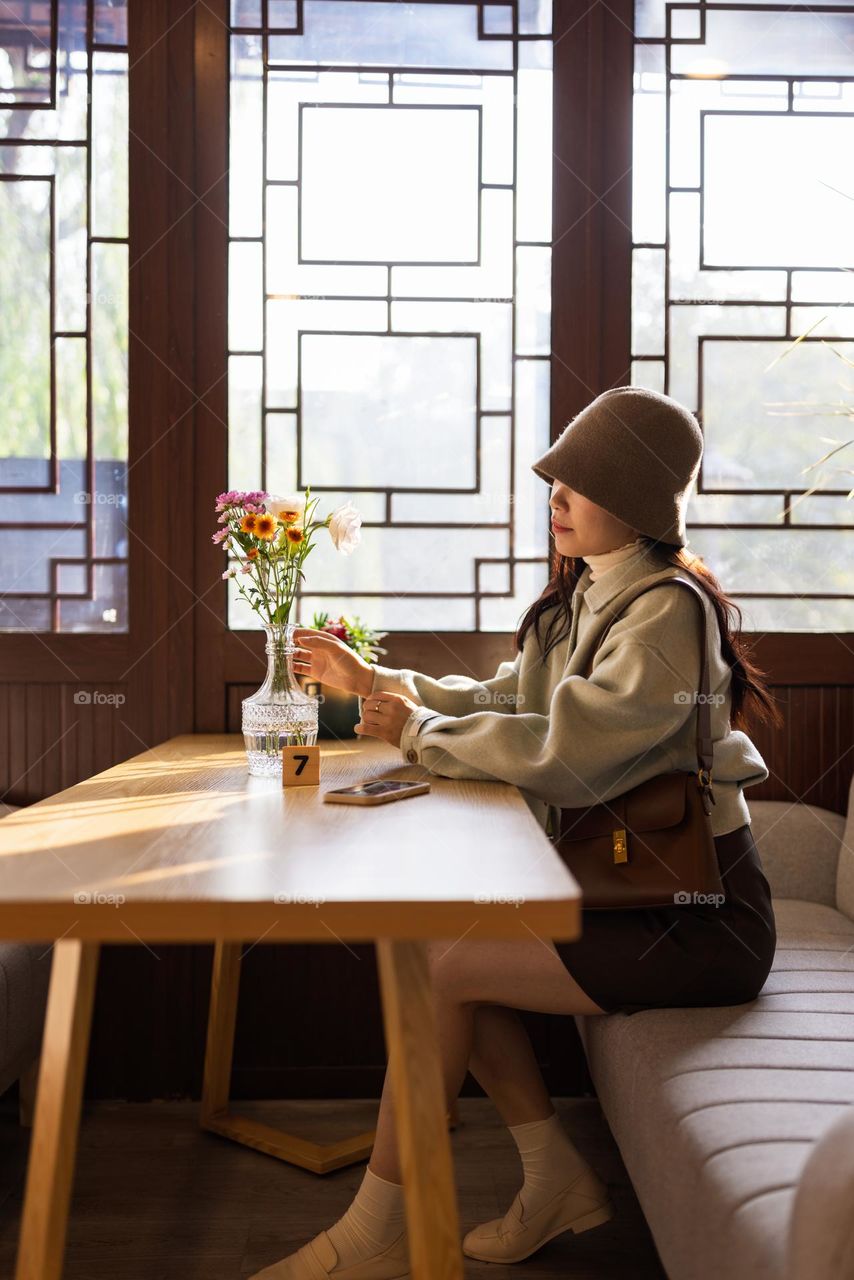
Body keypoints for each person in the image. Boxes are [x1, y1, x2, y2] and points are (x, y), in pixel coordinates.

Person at [249, 385, 781, 1280]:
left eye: (580, 483)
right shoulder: (588, 595)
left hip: (699, 919)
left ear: (641, 502)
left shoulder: (666, 611)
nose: (557, 498)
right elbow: (508, 700)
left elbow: (567, 754)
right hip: (624, 887)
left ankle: (380, 1227)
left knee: (442, 968)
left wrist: (413, 732)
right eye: (556, 482)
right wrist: (372, 677)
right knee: (440, 950)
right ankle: (554, 1181)